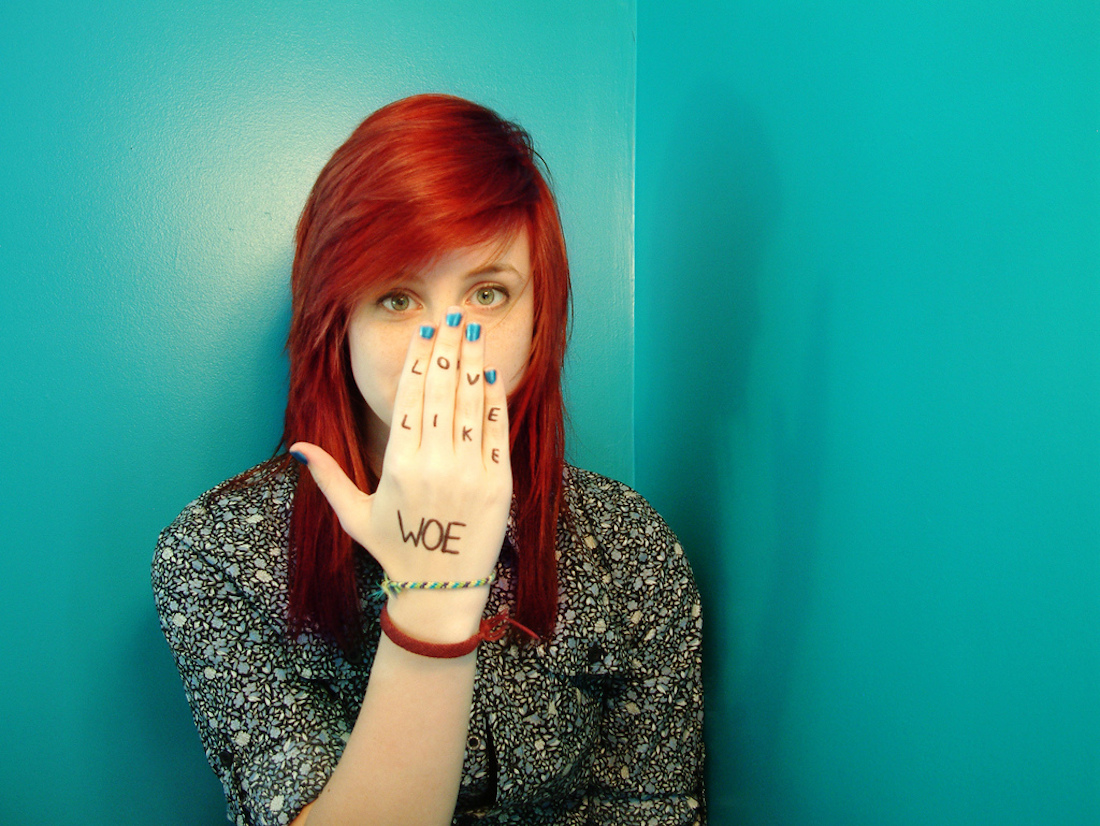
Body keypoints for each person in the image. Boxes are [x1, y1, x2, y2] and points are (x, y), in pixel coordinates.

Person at [152, 93, 704, 826]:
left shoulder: (630, 545)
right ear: (337, 319)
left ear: (538, 318)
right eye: (397, 298)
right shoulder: (216, 555)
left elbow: (651, 808)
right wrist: (435, 588)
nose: (445, 343)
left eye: (488, 293)